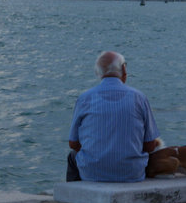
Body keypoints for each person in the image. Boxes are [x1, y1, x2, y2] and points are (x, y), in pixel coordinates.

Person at [67, 51, 160, 182]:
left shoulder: (85, 98)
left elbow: (73, 143)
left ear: (98, 72)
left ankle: (72, 197)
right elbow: (150, 145)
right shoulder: (139, 98)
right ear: (123, 69)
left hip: (92, 173)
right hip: (132, 173)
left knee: (72, 157)